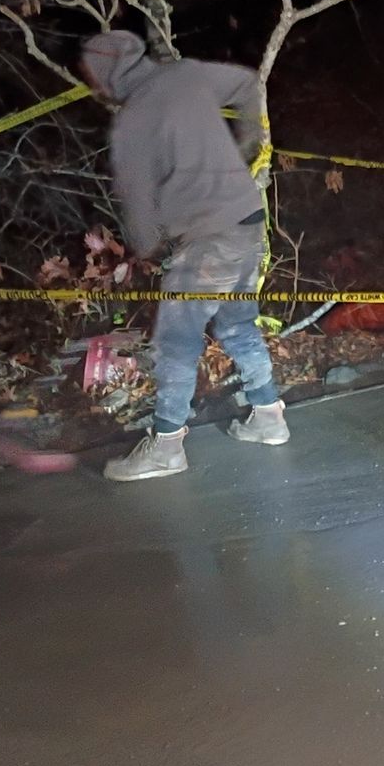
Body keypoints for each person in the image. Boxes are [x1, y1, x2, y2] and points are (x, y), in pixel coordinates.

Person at [79, 30, 290, 481]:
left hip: (206, 240)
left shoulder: (132, 121)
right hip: (248, 221)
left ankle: (167, 446)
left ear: (105, 73)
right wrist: (248, 142)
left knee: (176, 341)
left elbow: (137, 205)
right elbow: (251, 83)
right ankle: (269, 415)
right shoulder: (188, 75)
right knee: (237, 323)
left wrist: (148, 248)